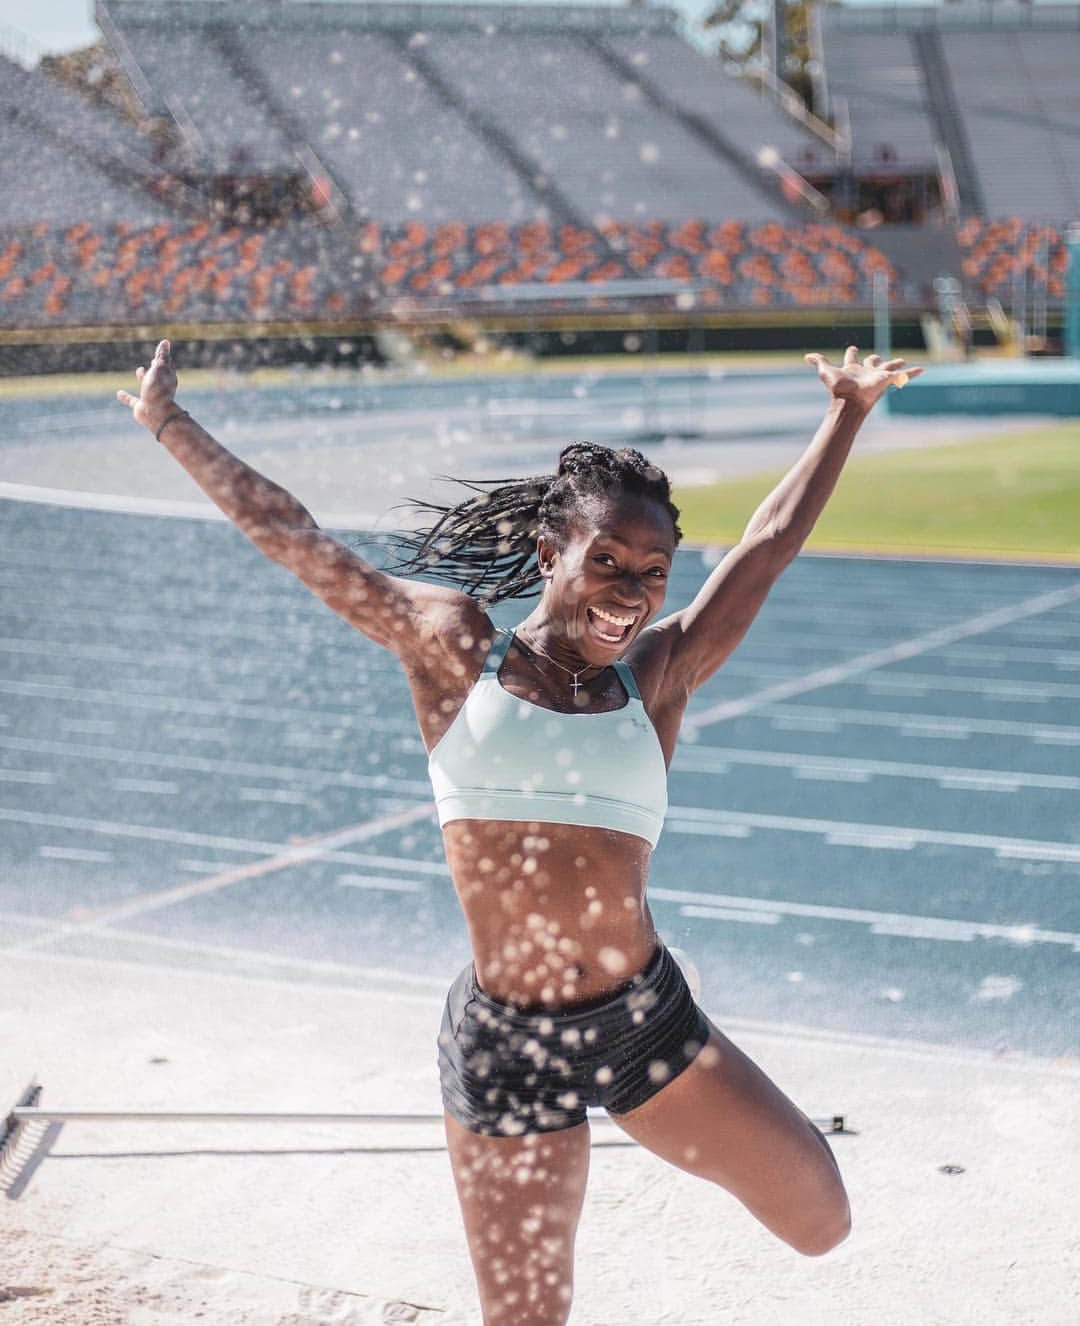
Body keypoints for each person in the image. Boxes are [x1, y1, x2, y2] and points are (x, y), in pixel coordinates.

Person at [117, 340, 921, 1324]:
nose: (631, 591)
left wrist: (846, 412)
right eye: (607, 562)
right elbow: (301, 541)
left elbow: (767, 549)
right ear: (550, 556)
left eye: (653, 570)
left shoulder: (658, 676)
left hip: (641, 1020)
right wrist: (171, 425)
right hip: (507, 1047)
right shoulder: (454, 646)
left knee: (821, 1219)